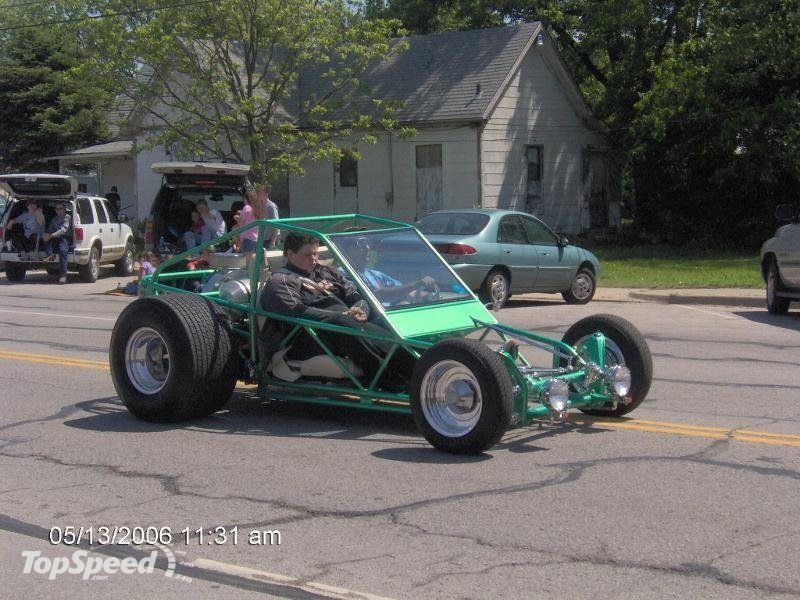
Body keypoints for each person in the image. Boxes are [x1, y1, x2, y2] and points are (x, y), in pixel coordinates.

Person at [260, 232, 404, 385]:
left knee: (387, 327)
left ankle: (417, 369)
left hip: (342, 325)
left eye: (315, 254)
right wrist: (339, 317)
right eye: (307, 255)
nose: (313, 259)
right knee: (345, 325)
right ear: (290, 254)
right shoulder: (282, 280)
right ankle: (386, 379)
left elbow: (357, 296)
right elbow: (296, 312)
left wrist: (360, 309)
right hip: (306, 337)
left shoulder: (327, 272)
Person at [339, 236, 439, 307]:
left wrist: (428, 294)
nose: (368, 248)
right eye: (361, 244)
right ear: (347, 250)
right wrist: (416, 284)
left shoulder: (374, 274)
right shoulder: (343, 274)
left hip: (389, 316)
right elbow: (377, 296)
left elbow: (401, 289)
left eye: (368, 244)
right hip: (373, 320)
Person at [41, 202, 72, 284]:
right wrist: (46, 235)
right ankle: (50, 255)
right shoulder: (54, 219)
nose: (59, 210)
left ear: (64, 209)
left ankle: (63, 275)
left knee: (62, 251)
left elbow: (63, 230)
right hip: (55, 237)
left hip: (65, 237)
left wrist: (51, 235)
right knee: (46, 239)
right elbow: (50, 229)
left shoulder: (67, 217)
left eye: (61, 208)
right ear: (55, 210)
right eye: (57, 209)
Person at [256, 183, 280, 249]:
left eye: (260, 192)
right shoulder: (260, 206)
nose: (258, 194)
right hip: (262, 240)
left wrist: (273, 241)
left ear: (266, 194)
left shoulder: (271, 206)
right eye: (258, 192)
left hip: (270, 240)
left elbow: (276, 224)